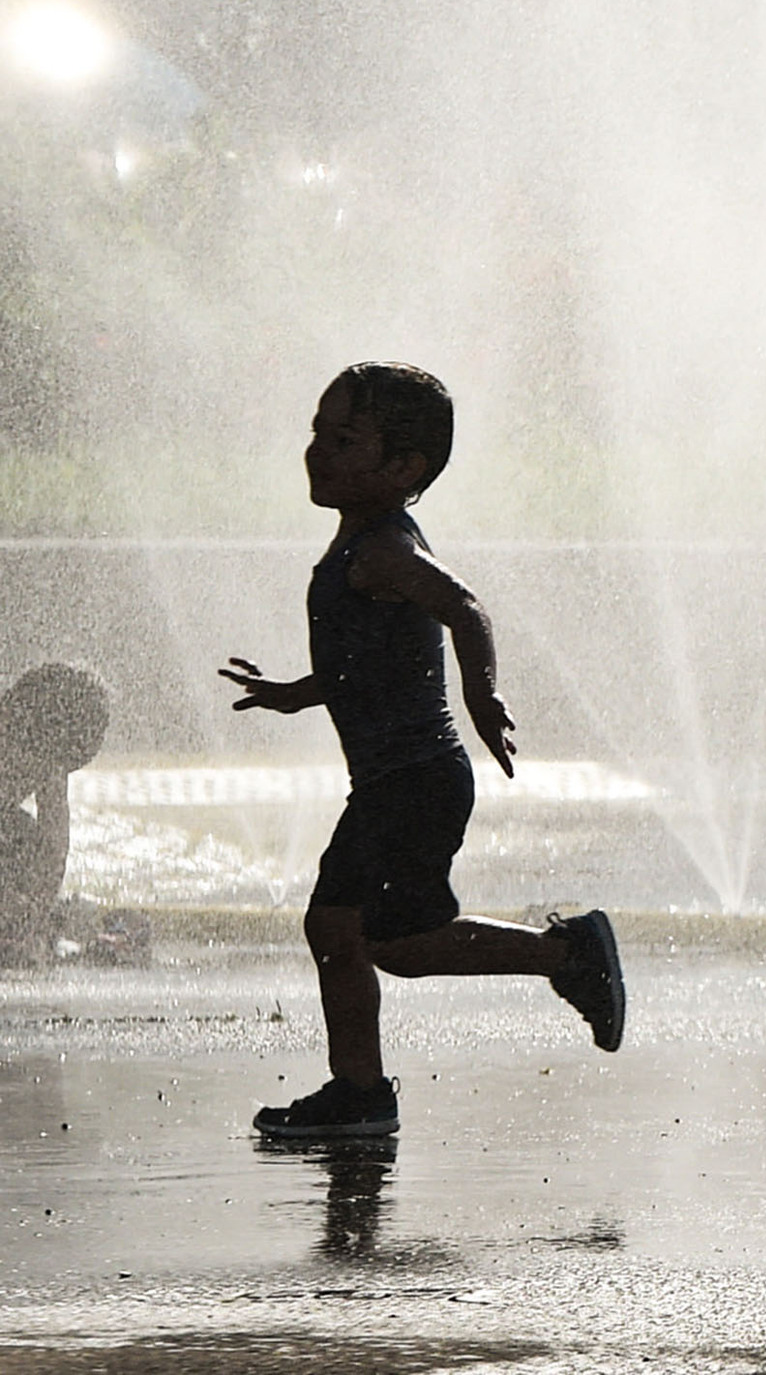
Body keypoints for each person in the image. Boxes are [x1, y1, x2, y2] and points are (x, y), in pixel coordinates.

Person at [219, 364, 626, 1142]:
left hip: (413, 780)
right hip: (400, 780)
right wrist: (294, 693)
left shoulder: (382, 552)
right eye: (316, 431)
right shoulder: (359, 549)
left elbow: (462, 606)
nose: (318, 451)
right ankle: (558, 958)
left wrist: (481, 693)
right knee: (385, 941)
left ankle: (368, 1090)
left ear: (404, 467)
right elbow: (361, 665)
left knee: (345, 926)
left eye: (344, 439)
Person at [0, 662, 111, 965]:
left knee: (24, 840)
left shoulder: (46, 755)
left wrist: (38, 912)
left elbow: (52, 845)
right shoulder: (36, 746)